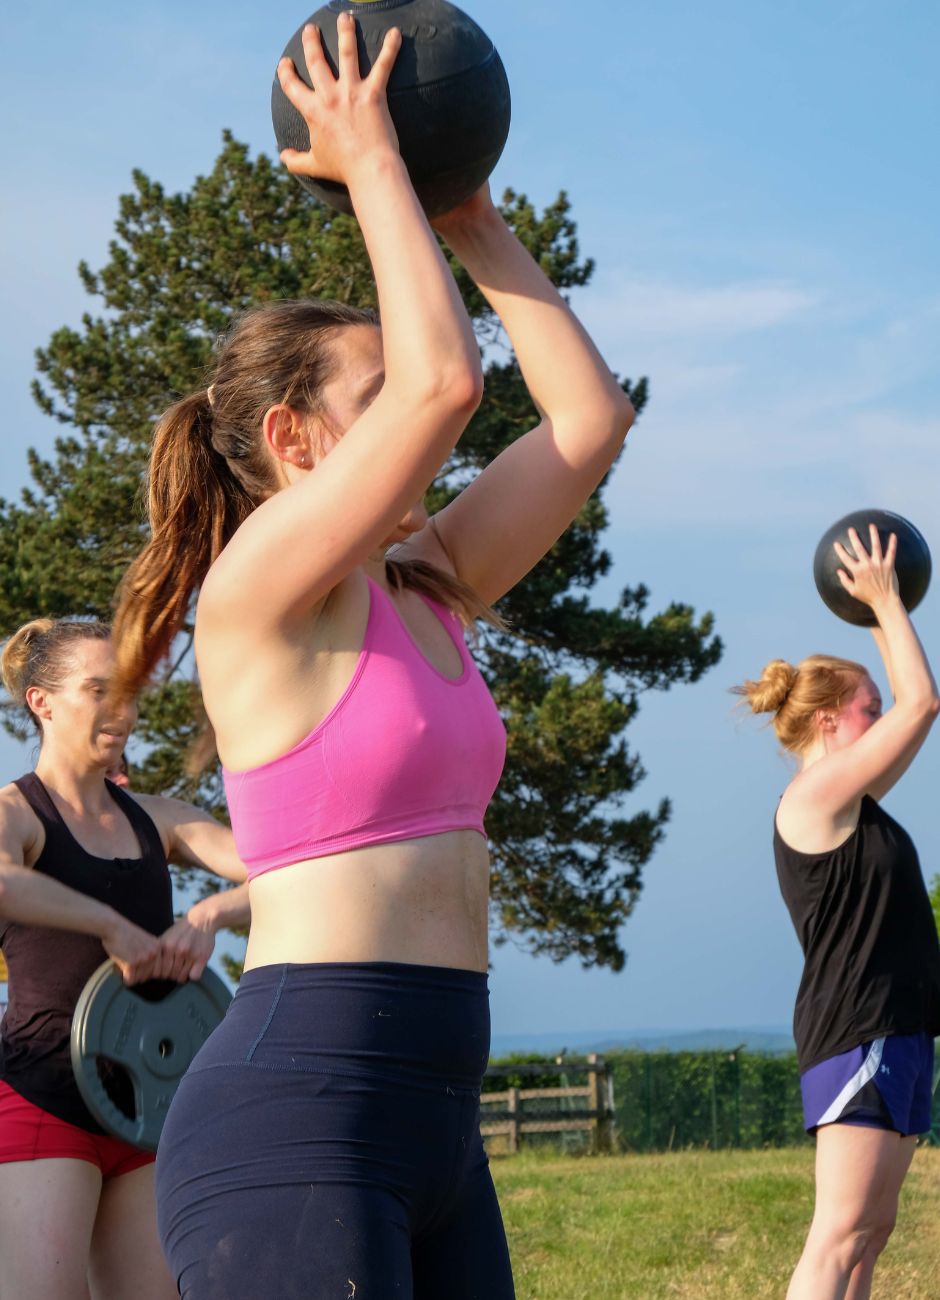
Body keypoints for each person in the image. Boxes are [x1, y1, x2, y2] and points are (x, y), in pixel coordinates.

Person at [111, 15, 634, 1299]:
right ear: (293, 438)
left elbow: (588, 418)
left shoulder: (430, 580)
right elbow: (445, 384)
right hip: (297, 1116)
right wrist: (371, 164)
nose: (421, 422)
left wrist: (466, 217)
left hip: (436, 1116)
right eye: (373, 394)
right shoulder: (257, 600)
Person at [0, 617, 250, 1300]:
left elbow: (291, 871)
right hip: (41, 1100)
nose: (122, 711)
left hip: (149, 1107)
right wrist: (109, 924)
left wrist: (210, 914)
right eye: (98, 691)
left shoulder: (158, 819)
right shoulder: (16, 814)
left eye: (131, 693)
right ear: (41, 702)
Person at [736, 524, 940, 1300]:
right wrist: (886, 602)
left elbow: (911, 708)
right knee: (836, 1240)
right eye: (867, 710)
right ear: (827, 722)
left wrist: (884, 625)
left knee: (867, 1241)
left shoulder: (853, 805)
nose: (880, 719)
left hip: (899, 1027)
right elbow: (922, 703)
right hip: (859, 1031)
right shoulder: (814, 800)